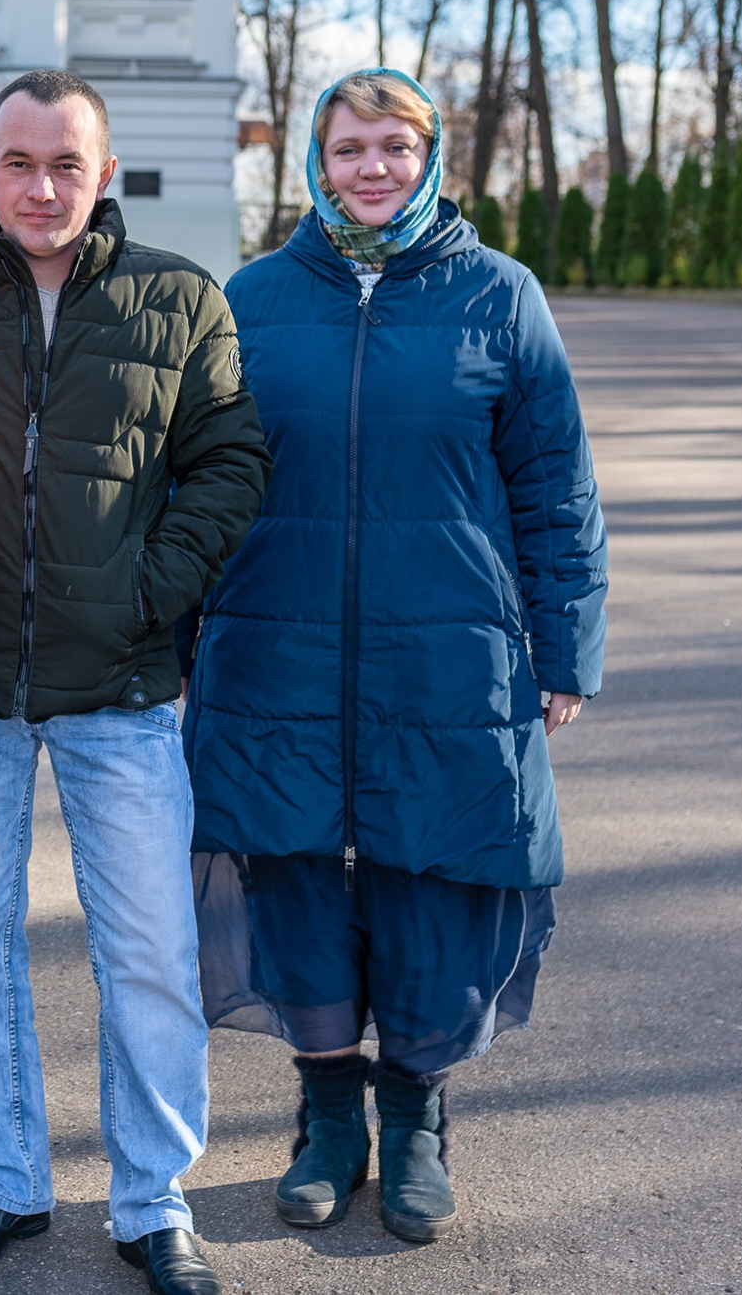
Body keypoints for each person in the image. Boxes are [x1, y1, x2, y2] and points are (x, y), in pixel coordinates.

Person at [187, 67, 606, 1245]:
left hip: (449, 649)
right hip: (275, 642)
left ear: (429, 160)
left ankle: (415, 1122)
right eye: (348, 146)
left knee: (433, 872)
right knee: (299, 868)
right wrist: (167, 640)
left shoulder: (499, 297)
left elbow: (554, 486)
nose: (371, 167)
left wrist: (563, 646)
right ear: (315, 159)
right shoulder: (255, 298)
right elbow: (202, 482)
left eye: (394, 146)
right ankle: (328, 1120)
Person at [0, 69, 271, 1295]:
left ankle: (153, 1202)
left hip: (119, 683)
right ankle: (2, 1183)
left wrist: (147, 589)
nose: (41, 186)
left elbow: (229, 457)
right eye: (17, 161)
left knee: (150, 950)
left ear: (101, 172)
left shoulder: (177, 295)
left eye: (66, 163)